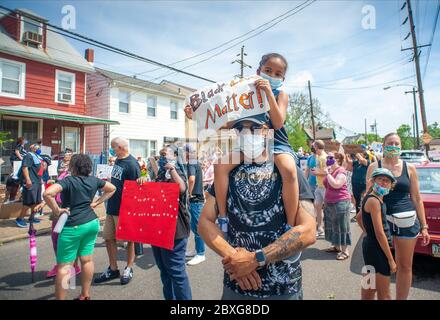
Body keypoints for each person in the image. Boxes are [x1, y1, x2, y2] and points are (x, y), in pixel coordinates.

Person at [198, 117, 316, 300]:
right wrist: (235, 259)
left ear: (266, 130)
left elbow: (308, 232)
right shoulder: (228, 172)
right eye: (241, 130)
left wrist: (255, 259)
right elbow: (205, 222)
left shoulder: (288, 171)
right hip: (235, 286)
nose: (248, 134)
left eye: (254, 128)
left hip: (283, 290)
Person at [185, 53, 300, 236]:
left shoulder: (281, 95)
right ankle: (223, 216)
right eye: (267, 70)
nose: (272, 75)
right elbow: (223, 124)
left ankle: (291, 225)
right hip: (246, 143)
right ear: (258, 71)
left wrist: (269, 92)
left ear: (282, 79)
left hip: (274, 142)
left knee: (289, 169)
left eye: (277, 74)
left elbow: (278, 123)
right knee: (220, 165)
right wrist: (196, 116)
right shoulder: (243, 97)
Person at [364, 133, 430, 300]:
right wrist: (366, 225)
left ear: (401, 146)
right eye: (390, 143)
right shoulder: (374, 166)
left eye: (397, 143)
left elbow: (416, 198)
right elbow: (367, 194)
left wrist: (424, 226)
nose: (394, 146)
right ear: (384, 146)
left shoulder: (410, 168)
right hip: (380, 220)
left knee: (405, 266)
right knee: (371, 266)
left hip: (405, 221)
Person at [43, 154, 116, 300]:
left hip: (73, 226)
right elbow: (112, 188)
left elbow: (47, 193)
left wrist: (57, 210)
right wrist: (97, 202)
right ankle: (85, 295)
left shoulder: (68, 181)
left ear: (73, 167)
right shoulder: (94, 180)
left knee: (64, 267)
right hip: (92, 223)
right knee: (87, 260)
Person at [137, 145, 192, 300]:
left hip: (175, 231)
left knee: (176, 271)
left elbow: (181, 188)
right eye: (160, 155)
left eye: (164, 154)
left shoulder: (177, 172)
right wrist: (142, 181)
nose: (161, 157)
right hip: (158, 228)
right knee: (164, 269)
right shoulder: (161, 173)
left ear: (174, 156)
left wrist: (172, 169)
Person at [94, 137, 141, 285]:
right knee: (108, 238)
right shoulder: (118, 161)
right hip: (112, 207)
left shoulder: (132, 164)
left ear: (120, 147)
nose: (111, 150)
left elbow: (137, 189)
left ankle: (128, 267)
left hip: (124, 209)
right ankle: (113, 269)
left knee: (129, 240)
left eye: (113, 147)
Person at [357, 168, 397, 300]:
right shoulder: (374, 201)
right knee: (385, 295)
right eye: (380, 179)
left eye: (387, 181)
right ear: (373, 181)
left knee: (369, 286)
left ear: (391, 186)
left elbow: (358, 217)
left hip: (370, 247)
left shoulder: (370, 198)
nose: (384, 183)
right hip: (377, 250)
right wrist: (391, 260)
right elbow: (380, 234)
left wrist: (369, 233)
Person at [322, 153, 352, 260]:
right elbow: (327, 187)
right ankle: (336, 246)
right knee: (332, 225)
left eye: (330, 158)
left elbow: (336, 184)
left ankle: (345, 251)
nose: (328, 160)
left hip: (341, 202)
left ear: (338, 160)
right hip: (330, 202)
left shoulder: (341, 171)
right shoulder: (331, 171)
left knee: (342, 226)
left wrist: (327, 174)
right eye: (327, 158)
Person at [184, 145, 206, 265]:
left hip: (195, 199)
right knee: (194, 227)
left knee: (198, 228)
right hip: (198, 198)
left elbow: (191, 179)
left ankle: (201, 253)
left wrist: (189, 193)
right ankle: (197, 250)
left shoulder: (191, 163)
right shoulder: (195, 162)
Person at [15, 144, 45, 228]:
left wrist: (41, 178)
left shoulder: (38, 157)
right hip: (31, 182)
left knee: (36, 201)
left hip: (37, 182)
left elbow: (39, 169)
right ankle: (19, 219)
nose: (39, 149)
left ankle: (32, 217)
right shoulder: (29, 155)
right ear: (33, 149)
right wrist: (28, 180)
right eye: (38, 148)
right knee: (28, 202)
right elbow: (25, 168)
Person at [309, 140, 328, 237]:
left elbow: (327, 172)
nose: (312, 147)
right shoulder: (318, 157)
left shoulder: (324, 157)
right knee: (317, 206)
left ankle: (328, 228)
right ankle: (320, 228)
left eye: (313, 145)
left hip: (325, 187)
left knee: (328, 209)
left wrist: (317, 172)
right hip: (319, 186)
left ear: (316, 146)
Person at [346, 150, 370, 216]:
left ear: (364, 156)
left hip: (363, 185)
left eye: (361, 154)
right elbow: (349, 162)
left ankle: (365, 215)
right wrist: (346, 155)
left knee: (363, 200)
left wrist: (358, 154)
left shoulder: (367, 162)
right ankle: (358, 214)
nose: (358, 156)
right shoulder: (356, 162)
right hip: (355, 184)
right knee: (357, 201)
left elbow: (362, 160)